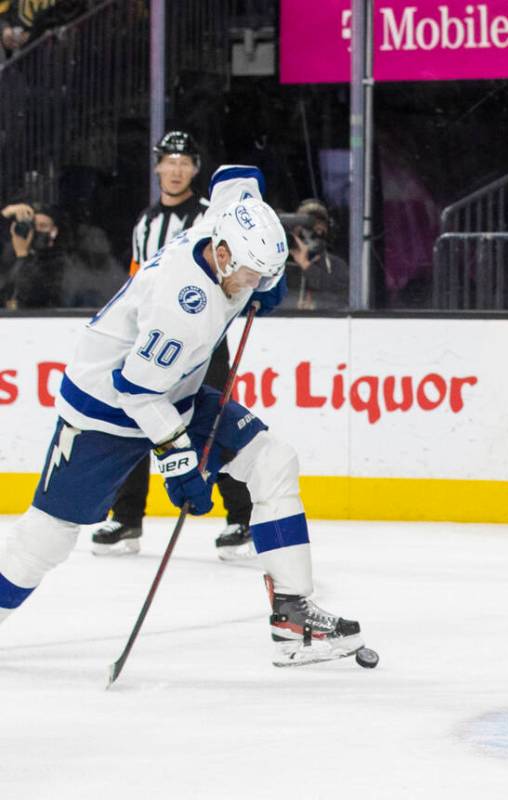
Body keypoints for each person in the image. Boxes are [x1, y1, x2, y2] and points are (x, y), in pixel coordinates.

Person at [0, 166, 368, 668]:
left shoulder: (225, 224)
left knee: (273, 461)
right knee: (47, 538)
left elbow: (233, 179)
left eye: (261, 274)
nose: (252, 284)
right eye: (247, 274)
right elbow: (135, 389)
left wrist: (262, 270)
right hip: (105, 410)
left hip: (174, 391)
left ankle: (293, 617)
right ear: (220, 254)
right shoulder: (183, 309)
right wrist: (178, 464)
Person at [90, 131, 255, 561]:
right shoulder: (145, 224)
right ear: (159, 166)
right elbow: (135, 282)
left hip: (202, 340)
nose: (176, 169)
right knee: (138, 415)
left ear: (195, 169)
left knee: (213, 422)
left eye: (185, 162)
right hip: (152, 339)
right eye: (170, 161)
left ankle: (241, 518)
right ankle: (127, 519)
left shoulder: (211, 218)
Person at [0, 202, 125, 309]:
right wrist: (4, 215)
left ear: (54, 231)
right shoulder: (10, 254)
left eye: (43, 226)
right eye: (33, 226)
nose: (36, 231)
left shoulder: (59, 261)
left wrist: (23, 256)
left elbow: (29, 297)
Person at [283, 199, 350, 310]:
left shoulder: (337, 265)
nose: (313, 230)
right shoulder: (279, 264)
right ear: (295, 230)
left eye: (319, 223)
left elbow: (345, 303)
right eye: (307, 224)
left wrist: (306, 266)